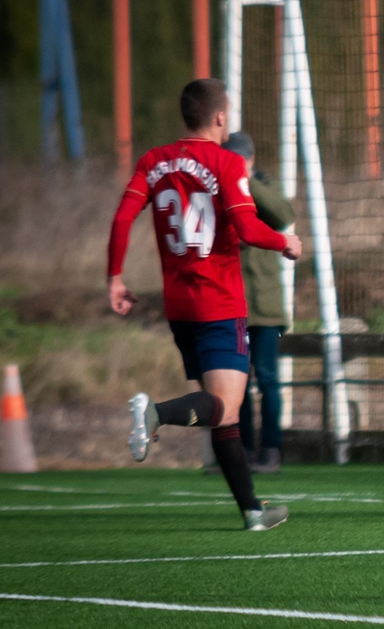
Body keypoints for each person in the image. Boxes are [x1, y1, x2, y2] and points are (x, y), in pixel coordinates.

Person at [106, 78, 303, 531]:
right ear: (219, 117)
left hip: (180, 308)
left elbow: (122, 216)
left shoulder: (152, 161)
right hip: (219, 303)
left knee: (221, 411)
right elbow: (249, 228)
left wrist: (115, 278)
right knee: (222, 405)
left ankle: (252, 511)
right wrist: (286, 243)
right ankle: (155, 413)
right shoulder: (227, 161)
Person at [222, 131, 296, 474]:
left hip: (264, 307)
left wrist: (247, 181)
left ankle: (271, 450)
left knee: (267, 379)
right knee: (237, 382)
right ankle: (243, 452)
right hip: (231, 304)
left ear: (249, 160)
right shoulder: (218, 187)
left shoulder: (262, 185)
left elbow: (283, 215)